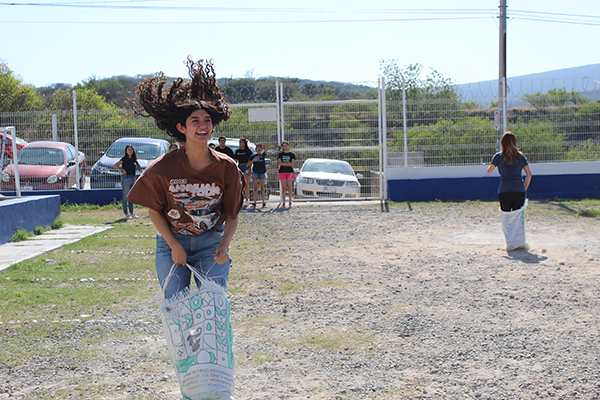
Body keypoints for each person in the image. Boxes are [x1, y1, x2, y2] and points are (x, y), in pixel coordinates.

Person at [127, 58, 244, 299]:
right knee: (175, 308)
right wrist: (174, 245)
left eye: (207, 121)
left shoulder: (227, 167)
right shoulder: (163, 168)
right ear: (182, 128)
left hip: (211, 243)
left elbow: (233, 214)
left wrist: (225, 245)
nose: (203, 126)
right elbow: (155, 211)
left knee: (213, 306)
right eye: (195, 121)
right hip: (172, 242)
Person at [487, 131, 532, 211]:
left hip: (505, 190)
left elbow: (489, 171)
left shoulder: (498, 157)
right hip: (519, 190)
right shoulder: (521, 157)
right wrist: (524, 188)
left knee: (506, 216)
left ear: (502, 143)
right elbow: (529, 175)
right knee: (517, 217)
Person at [113, 144, 141, 219]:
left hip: (133, 177)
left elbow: (139, 166)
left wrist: (134, 170)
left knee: (131, 196)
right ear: (126, 151)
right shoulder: (124, 159)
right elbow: (115, 166)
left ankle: (132, 213)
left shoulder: (134, 159)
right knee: (125, 196)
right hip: (126, 178)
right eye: (128, 149)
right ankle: (126, 213)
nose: (130, 151)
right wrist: (123, 170)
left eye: (131, 149)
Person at [234, 138, 253, 207]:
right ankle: (239, 200)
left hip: (246, 166)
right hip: (239, 166)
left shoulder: (248, 151)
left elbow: (251, 159)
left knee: (246, 184)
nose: (240, 143)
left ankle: (247, 200)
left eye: (241, 142)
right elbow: (235, 159)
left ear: (245, 143)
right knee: (239, 184)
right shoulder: (237, 151)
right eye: (240, 142)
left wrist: (249, 168)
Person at [277, 141, 295, 208]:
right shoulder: (280, 154)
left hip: (290, 172)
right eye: (283, 146)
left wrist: (285, 163)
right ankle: (284, 203)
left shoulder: (292, 154)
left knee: (289, 187)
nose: (285, 147)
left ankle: (290, 202)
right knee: (283, 188)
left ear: (288, 146)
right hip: (282, 172)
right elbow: (279, 163)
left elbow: (292, 164)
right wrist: (287, 163)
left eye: (286, 145)